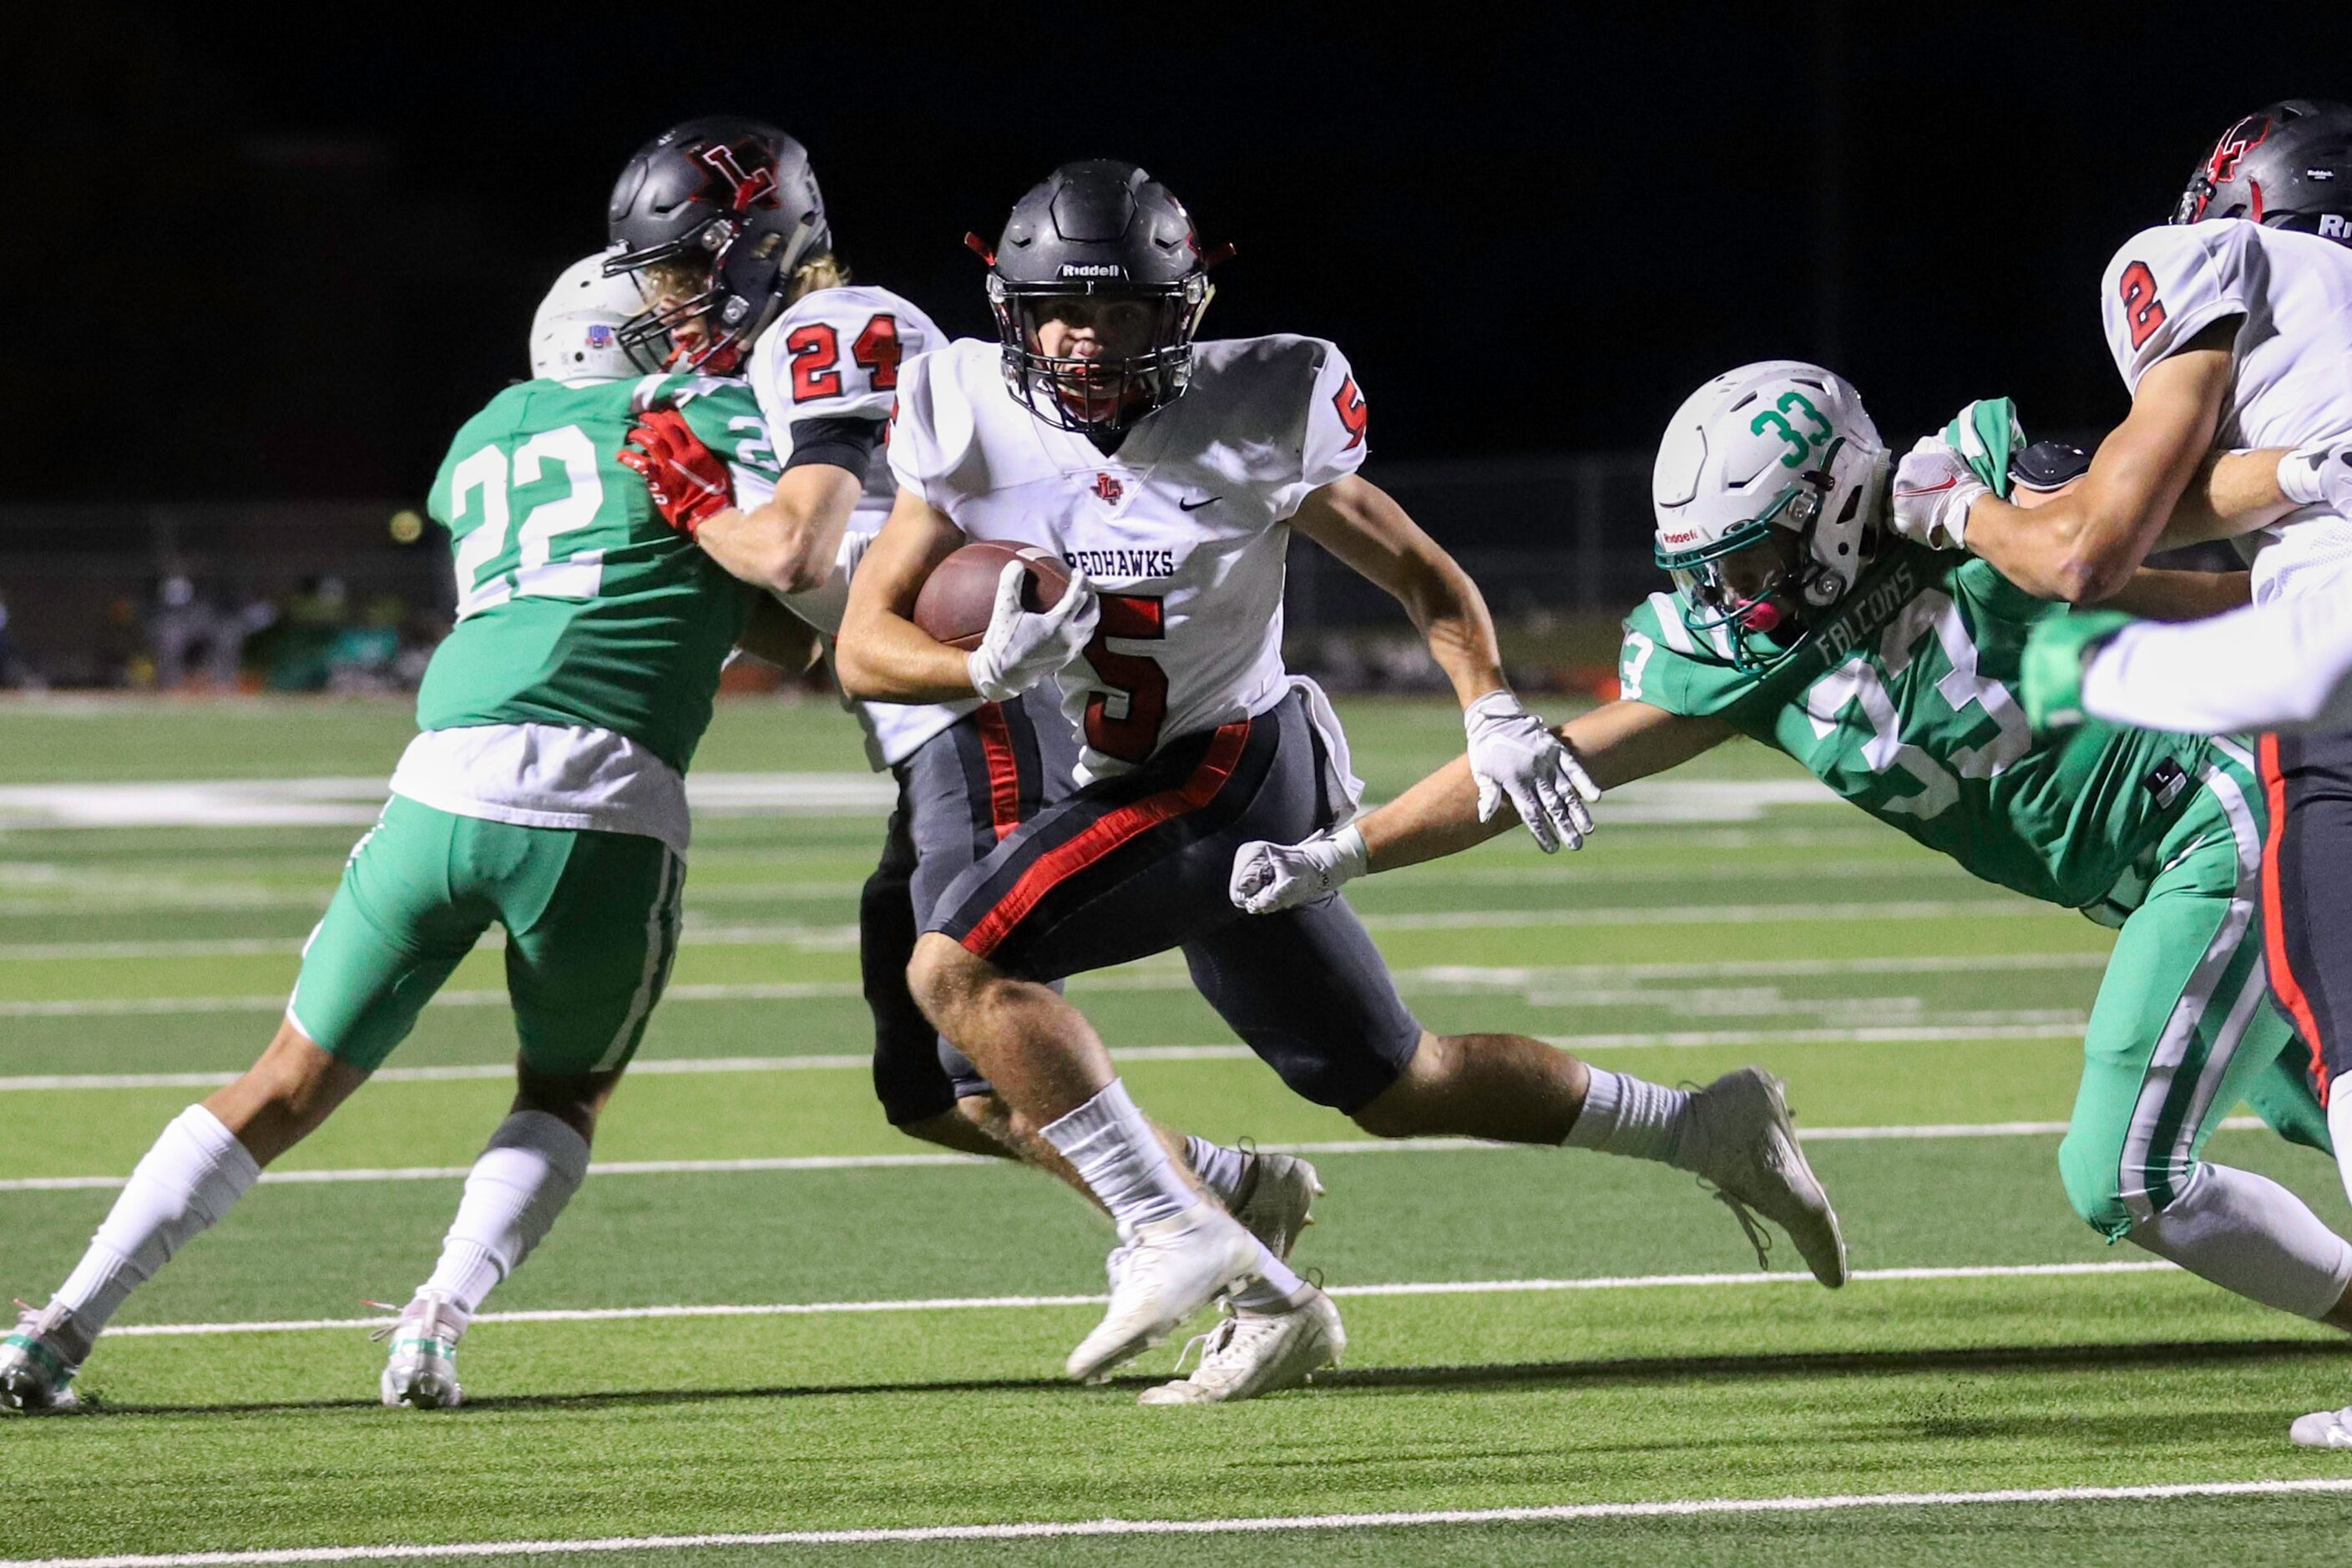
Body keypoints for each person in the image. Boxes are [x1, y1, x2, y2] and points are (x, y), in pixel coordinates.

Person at [836, 161, 1848, 1404]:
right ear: (1008, 305)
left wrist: (1491, 710)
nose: (1078, 339)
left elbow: (1426, 580)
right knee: (1389, 1080)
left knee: (957, 969)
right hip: (1132, 771)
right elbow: (862, 641)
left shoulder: (1263, 404)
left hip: (1233, 763)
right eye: (1053, 309)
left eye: (1113, 311)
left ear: (1178, 310)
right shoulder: (960, 408)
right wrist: (975, 661)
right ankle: (1701, 1124)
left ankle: (1179, 1229)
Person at [1232, 364, 2352, 1374]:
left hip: (2215, 823)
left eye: (1752, 555)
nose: (1731, 591)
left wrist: (2303, 483)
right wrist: (1345, 848)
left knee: (2120, 1170)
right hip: (2157, 878)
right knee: (2319, 1105)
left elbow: (2139, 507)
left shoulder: (1956, 499)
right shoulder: (1743, 660)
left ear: (1836, 500)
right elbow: (1550, 770)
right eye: (1709, 567)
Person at [0, 252, 802, 1414]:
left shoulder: (487, 433)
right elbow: (783, 573)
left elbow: (643, 571)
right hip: (605, 799)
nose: (696, 340)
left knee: (283, 1077)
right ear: (629, 344)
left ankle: (57, 1327)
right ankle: (433, 1322)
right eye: (669, 324)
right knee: (564, 1091)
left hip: (443, 779)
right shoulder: (693, 409)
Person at [608, 124, 1314, 1262]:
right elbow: (802, 629)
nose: (675, 299)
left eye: (690, 267)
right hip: (914, 713)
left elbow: (798, 550)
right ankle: (1227, 1185)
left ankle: (1206, 1251)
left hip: (974, 696)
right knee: (921, 1084)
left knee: (972, 1042)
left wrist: (700, 510)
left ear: (762, 242)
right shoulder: (770, 367)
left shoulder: (832, 327)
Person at [1880, 100, 2352, 1447]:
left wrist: (1961, 506)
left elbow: (2090, 552)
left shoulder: (2202, 259)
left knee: (2347, 1020)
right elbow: (2248, 495)